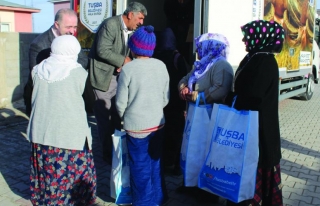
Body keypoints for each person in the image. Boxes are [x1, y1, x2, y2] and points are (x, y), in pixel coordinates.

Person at [27, 35, 96, 206]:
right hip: (69, 138)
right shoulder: (79, 73)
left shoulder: (37, 70)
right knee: (70, 179)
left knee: (46, 174)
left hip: (41, 136)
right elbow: (90, 104)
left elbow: (28, 99)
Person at [223, 20, 284, 206]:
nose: (244, 39)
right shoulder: (254, 57)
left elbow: (254, 95)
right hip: (249, 126)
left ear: (261, 38)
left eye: (248, 36)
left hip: (260, 131)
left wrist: (232, 99)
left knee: (255, 169)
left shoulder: (265, 62)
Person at [115, 25, 169, 206]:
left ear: (133, 47)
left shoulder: (128, 70)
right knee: (156, 164)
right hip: (157, 124)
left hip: (136, 127)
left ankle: (144, 203)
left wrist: (124, 117)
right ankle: (159, 199)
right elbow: (165, 98)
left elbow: (121, 103)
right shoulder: (161, 66)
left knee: (139, 168)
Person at [178, 33, 234, 203]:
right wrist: (182, 88)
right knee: (193, 150)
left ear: (210, 46)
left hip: (209, 117)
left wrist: (196, 95)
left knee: (206, 151)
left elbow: (221, 89)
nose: (197, 50)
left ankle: (206, 190)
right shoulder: (201, 64)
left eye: (199, 46)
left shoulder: (221, 65)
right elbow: (185, 78)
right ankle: (191, 183)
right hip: (195, 117)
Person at [88, 2, 147, 165]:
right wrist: (123, 60)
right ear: (130, 15)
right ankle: (108, 155)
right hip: (103, 78)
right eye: (140, 18)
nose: (141, 22)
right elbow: (102, 50)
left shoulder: (133, 29)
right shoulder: (110, 25)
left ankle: (116, 150)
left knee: (116, 116)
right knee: (104, 117)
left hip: (118, 78)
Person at [24, 8, 89, 116]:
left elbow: (83, 60)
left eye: (75, 27)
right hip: (44, 99)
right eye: (68, 27)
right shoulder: (39, 44)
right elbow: (36, 72)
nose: (72, 31)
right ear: (56, 24)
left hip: (66, 97)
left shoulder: (70, 38)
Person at [153, 27, 190, 175]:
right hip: (176, 101)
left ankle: (163, 162)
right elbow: (185, 77)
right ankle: (175, 165)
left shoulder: (156, 56)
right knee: (176, 133)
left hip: (161, 101)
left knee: (163, 132)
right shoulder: (178, 57)